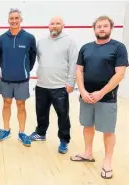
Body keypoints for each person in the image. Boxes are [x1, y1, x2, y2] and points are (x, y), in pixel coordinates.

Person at [70, 16, 128, 179]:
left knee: (108, 131)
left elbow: (120, 74)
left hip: (107, 98)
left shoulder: (118, 47)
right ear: (94, 29)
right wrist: (82, 91)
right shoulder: (86, 48)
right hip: (86, 96)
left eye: (105, 26)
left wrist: (101, 93)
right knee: (87, 126)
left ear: (111, 28)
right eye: (99, 26)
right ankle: (88, 153)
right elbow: (79, 71)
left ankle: (107, 162)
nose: (102, 29)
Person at [29, 16, 78, 154]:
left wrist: (70, 83)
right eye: (52, 23)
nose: (55, 26)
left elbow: (73, 64)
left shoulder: (69, 42)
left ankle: (64, 140)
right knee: (41, 112)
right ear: (48, 25)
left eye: (58, 23)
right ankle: (41, 133)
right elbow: (40, 60)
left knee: (63, 115)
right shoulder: (42, 42)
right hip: (42, 85)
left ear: (63, 25)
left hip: (60, 86)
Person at [0, 8, 37, 147]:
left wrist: (24, 70)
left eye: (16, 18)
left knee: (21, 105)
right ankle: (6, 130)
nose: (14, 21)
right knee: (6, 103)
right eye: (11, 18)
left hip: (22, 80)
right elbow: (0, 58)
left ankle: (22, 133)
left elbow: (32, 57)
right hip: (6, 79)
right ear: (8, 20)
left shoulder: (29, 38)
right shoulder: (1, 39)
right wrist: (7, 69)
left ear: (21, 20)